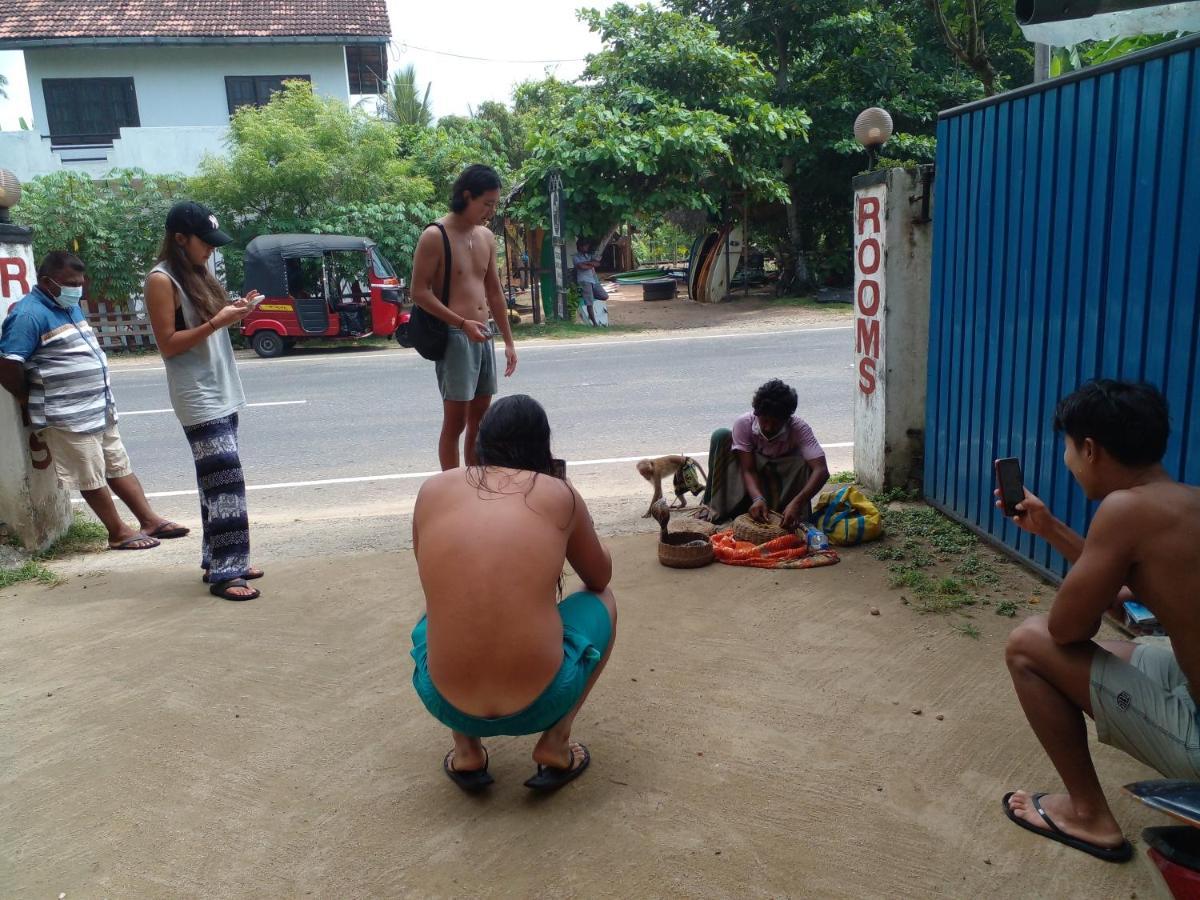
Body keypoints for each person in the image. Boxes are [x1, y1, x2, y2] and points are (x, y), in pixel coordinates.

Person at [1001, 380, 1200, 863]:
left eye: (1069, 449)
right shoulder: (1186, 500)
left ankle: (1089, 815)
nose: (1069, 462)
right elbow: (1125, 594)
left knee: (1029, 644)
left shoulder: (1124, 510)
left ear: (1089, 449)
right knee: (1125, 654)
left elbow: (1067, 630)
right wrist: (1049, 528)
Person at [409, 394, 616, 793]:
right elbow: (599, 577)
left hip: (444, 698)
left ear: (481, 440)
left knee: (437, 607)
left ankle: (466, 749)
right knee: (604, 603)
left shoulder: (433, 489)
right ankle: (555, 743)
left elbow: (431, 577)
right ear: (543, 447)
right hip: (542, 701)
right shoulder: (558, 493)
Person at [0, 251, 188, 550]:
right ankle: (118, 532)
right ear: (48, 282)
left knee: (117, 464)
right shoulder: (28, 314)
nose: (78, 288)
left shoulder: (69, 306)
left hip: (99, 408)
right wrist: (25, 397)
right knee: (89, 473)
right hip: (67, 414)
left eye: (80, 282)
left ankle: (149, 519)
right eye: (70, 283)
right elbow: (8, 363)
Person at [144, 201, 264, 602]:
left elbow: (211, 323)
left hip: (221, 386)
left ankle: (218, 558)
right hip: (197, 394)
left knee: (213, 480)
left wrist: (239, 311)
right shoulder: (161, 280)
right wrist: (218, 321)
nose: (210, 250)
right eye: (204, 242)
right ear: (180, 239)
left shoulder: (199, 271)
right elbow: (167, 344)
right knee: (227, 478)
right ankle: (228, 573)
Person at [410, 164, 518, 471]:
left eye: (495, 204)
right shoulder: (435, 235)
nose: (491, 211)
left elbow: (495, 293)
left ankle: (473, 482)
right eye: (486, 204)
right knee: (455, 423)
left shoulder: (486, 237)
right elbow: (418, 292)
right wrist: (460, 323)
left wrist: (509, 342)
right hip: (455, 337)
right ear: (466, 196)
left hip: (483, 334)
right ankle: (452, 489)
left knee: (481, 422)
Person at [701, 379, 830, 528]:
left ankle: (787, 512)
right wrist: (757, 498)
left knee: (805, 464)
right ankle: (720, 507)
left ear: (787, 419)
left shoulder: (799, 428)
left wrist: (797, 502)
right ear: (757, 414)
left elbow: (822, 470)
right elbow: (748, 469)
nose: (768, 428)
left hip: (783, 479)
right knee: (721, 436)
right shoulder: (744, 423)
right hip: (754, 476)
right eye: (764, 420)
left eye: (775, 422)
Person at [572, 237, 607, 325]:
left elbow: (597, 264)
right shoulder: (576, 257)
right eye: (585, 246)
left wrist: (587, 263)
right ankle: (594, 322)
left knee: (604, 296)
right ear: (580, 247)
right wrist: (591, 264)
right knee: (589, 303)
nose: (586, 248)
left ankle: (589, 298)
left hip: (593, 280)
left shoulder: (588, 255)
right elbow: (581, 267)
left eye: (587, 246)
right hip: (584, 280)